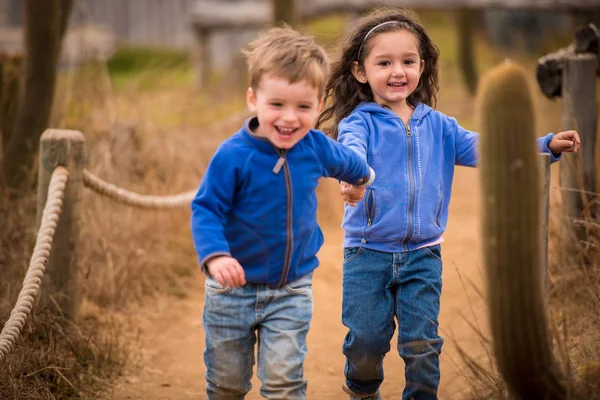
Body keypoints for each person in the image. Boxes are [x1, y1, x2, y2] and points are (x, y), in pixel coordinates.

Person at [315, 8, 581, 400]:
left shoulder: (439, 126)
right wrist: (353, 178)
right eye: (384, 62)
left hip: (423, 255)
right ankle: (363, 390)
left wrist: (544, 144)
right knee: (366, 343)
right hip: (367, 253)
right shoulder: (359, 123)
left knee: (422, 344)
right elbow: (351, 155)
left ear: (421, 66)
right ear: (360, 71)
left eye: (408, 61)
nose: (398, 71)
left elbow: (491, 146)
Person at [190, 26, 375, 400]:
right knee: (227, 385)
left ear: (319, 105)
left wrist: (361, 181)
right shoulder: (233, 155)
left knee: (283, 383)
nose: (290, 118)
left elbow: (354, 166)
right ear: (253, 99)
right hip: (231, 292)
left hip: (291, 290)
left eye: (303, 107)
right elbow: (206, 208)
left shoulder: (316, 146)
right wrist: (215, 255)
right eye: (277, 105)